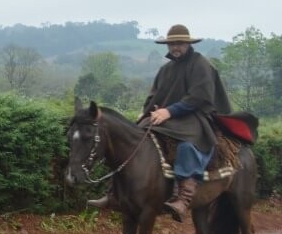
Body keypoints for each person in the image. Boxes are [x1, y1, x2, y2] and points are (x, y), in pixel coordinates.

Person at [89, 24, 232, 221]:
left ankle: (183, 198)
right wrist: (146, 113)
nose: (176, 47)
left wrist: (170, 111)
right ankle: (114, 193)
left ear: (188, 44)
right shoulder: (166, 69)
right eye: (172, 44)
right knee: (130, 141)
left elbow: (200, 96)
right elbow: (154, 96)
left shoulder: (200, 64)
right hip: (166, 118)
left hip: (195, 118)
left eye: (180, 43)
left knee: (187, 147)